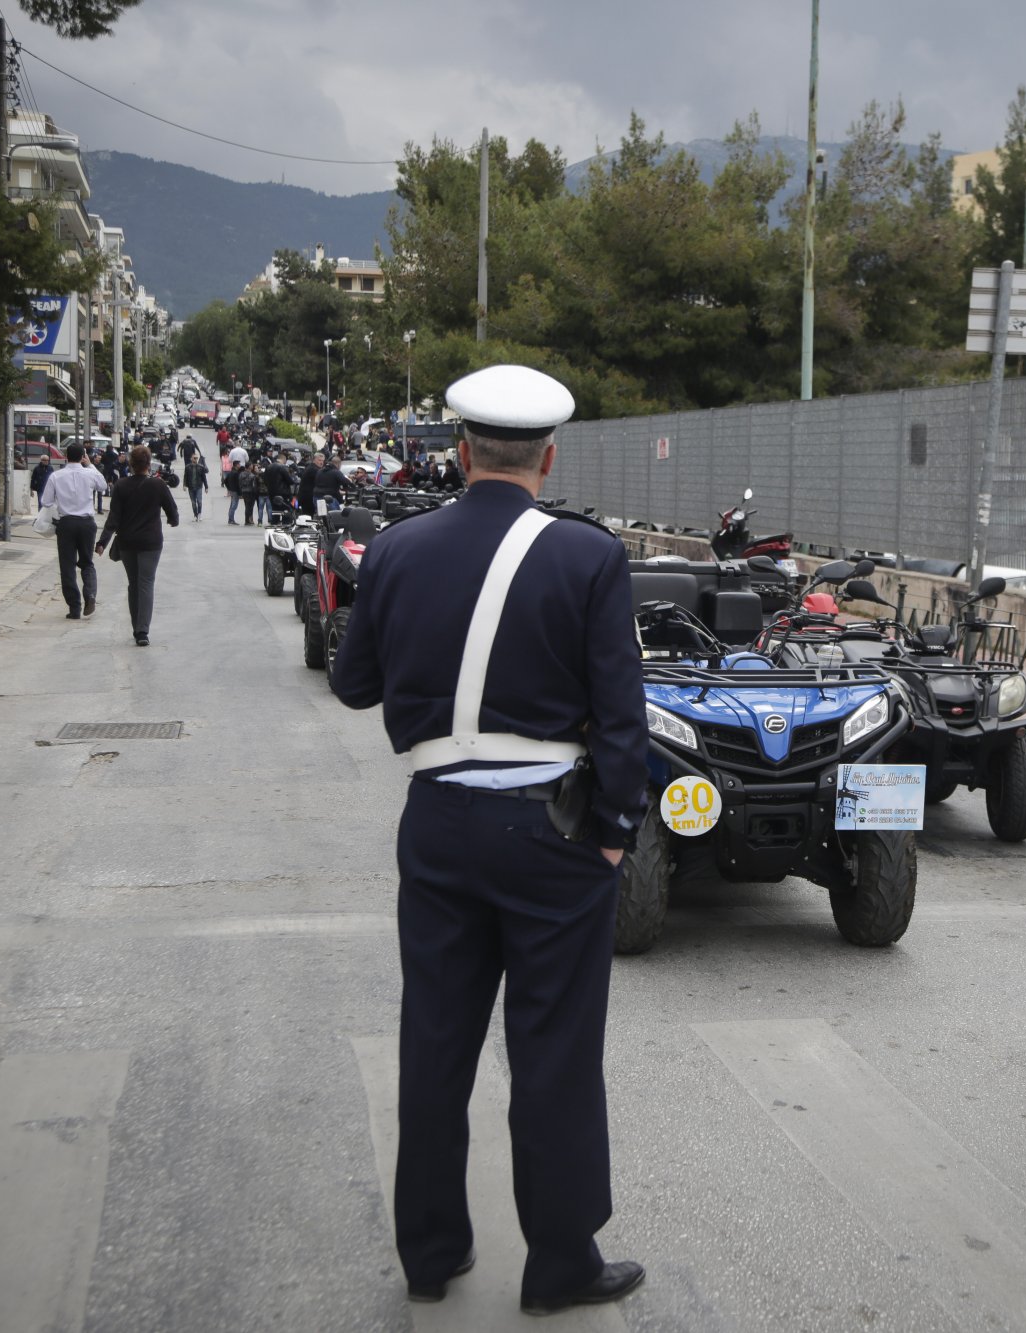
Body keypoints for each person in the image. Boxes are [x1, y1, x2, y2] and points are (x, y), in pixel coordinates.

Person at [330, 364, 648, 1317]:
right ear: (549, 457)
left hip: (437, 824)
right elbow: (622, 719)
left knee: (433, 1041)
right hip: (552, 830)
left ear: (459, 451)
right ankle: (559, 1264)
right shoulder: (587, 557)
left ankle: (430, 1252)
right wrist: (612, 836)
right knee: (552, 1052)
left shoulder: (395, 548)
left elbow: (353, 685)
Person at [96, 445, 179, 647]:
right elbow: (173, 514)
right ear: (149, 464)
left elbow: (113, 518)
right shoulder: (158, 485)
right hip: (151, 543)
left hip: (128, 542)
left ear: (131, 465)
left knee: (133, 584)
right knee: (146, 584)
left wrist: (102, 542)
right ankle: (143, 631)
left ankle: (136, 627)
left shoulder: (121, 486)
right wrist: (172, 521)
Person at [38, 443, 107, 619]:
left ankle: (74, 608)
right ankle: (90, 595)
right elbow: (103, 486)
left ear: (66, 456)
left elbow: (46, 501)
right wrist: (90, 464)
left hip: (66, 523)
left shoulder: (56, 476)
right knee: (87, 562)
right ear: (83, 456)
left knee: (67, 565)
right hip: (87, 523)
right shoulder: (90, 473)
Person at [183, 454, 209, 520]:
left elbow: (204, 478)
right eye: (194, 458)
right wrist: (184, 485)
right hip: (191, 487)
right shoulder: (187, 467)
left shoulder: (201, 467)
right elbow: (185, 477)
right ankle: (195, 515)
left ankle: (199, 514)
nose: (196, 459)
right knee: (193, 502)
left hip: (199, 487)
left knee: (199, 501)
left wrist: (206, 487)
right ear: (191, 458)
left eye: (196, 458)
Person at [237, 459, 261, 525]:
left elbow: (239, 483)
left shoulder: (241, 474)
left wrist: (241, 490)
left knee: (247, 505)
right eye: (251, 465)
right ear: (250, 466)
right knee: (250, 506)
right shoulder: (252, 475)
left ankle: (247, 520)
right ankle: (248, 520)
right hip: (251, 492)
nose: (252, 466)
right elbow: (254, 485)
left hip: (244, 491)